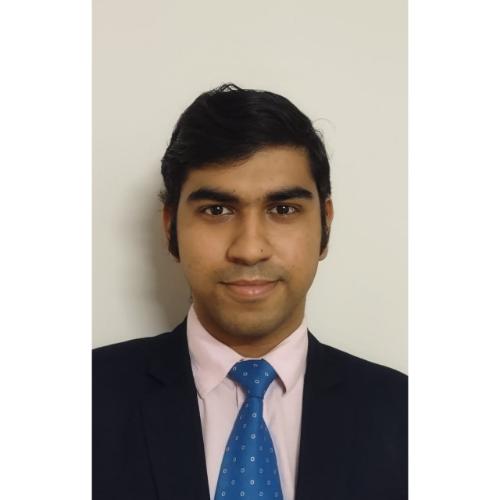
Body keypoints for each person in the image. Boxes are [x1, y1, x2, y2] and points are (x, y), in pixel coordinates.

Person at [93, 84, 408, 500]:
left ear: (325, 225)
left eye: (283, 209)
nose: (249, 249)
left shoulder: (405, 416)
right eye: (216, 210)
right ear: (170, 228)